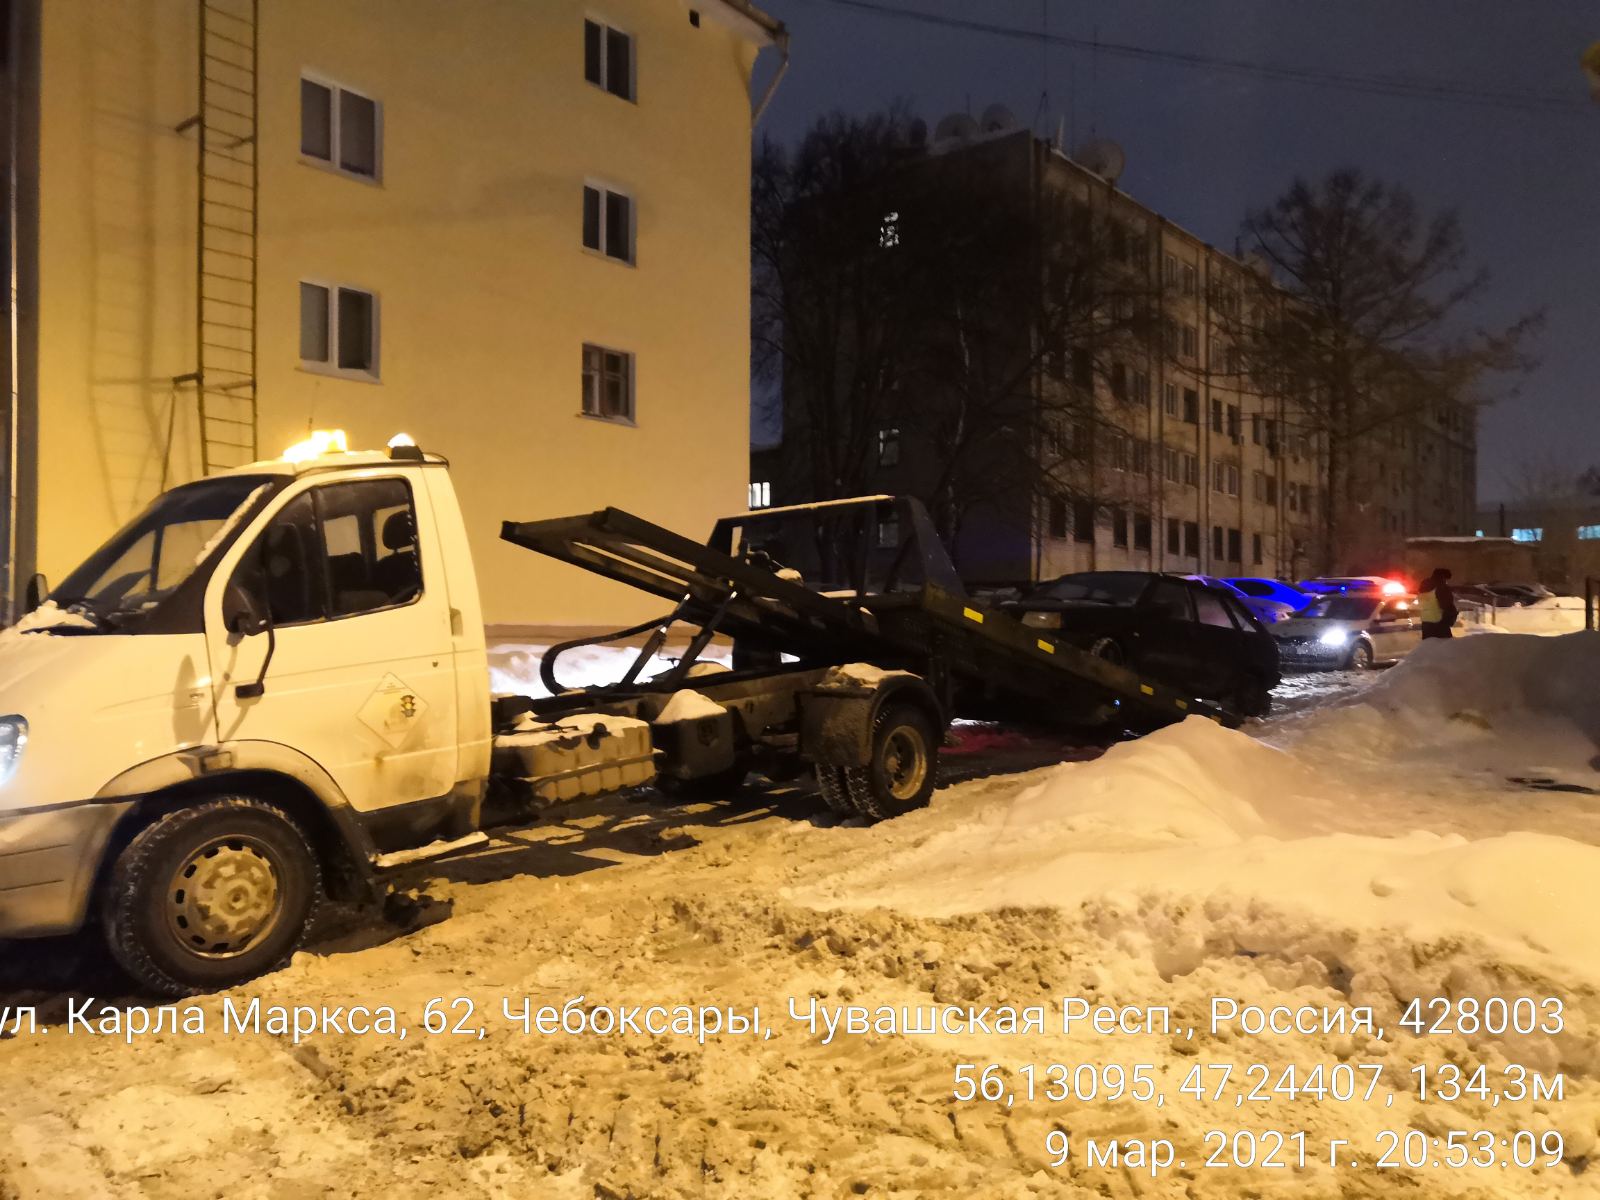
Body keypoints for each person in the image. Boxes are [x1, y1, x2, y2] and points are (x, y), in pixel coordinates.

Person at [1417, 567, 1458, 639]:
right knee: (1444, 647)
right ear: (1443, 578)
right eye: (1446, 579)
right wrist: (1453, 614)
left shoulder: (1423, 588)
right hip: (1440, 623)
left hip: (1426, 623)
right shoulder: (1442, 588)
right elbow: (1447, 606)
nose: (1446, 582)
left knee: (1429, 647)